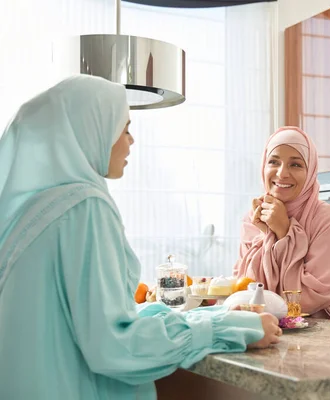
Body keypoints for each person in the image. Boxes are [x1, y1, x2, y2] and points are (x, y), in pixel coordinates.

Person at [0, 75, 281, 400]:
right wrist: (228, 330)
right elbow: (114, 344)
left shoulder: (32, 209)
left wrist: (218, 315)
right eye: (125, 128)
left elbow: (89, 324)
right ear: (92, 129)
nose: (131, 141)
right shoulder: (85, 206)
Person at [233, 127, 330, 320]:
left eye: (295, 165)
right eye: (273, 162)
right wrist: (266, 235)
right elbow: (244, 288)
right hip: (270, 326)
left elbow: (312, 296)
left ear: (310, 171)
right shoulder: (253, 218)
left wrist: (284, 232)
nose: (282, 173)